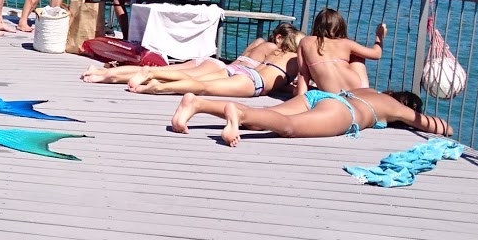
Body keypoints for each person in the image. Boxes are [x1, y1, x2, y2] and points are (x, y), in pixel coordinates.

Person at [168, 86, 452, 146]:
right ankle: (236, 112)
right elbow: (432, 126)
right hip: (344, 112)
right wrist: (446, 128)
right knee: (288, 127)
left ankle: (198, 103)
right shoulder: (395, 107)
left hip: (326, 96)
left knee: (264, 116)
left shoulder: (371, 90)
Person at [83, 23, 304, 97]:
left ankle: (102, 74)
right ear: (280, 38)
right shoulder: (273, 50)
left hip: (218, 64)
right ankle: (107, 76)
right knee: (178, 78)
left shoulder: (258, 42)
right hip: (226, 70)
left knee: (172, 71)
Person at [299, 9, 384, 90]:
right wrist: (379, 36)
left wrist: (300, 96)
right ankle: (365, 90)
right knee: (357, 56)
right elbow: (377, 54)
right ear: (341, 26)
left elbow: (303, 73)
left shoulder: (306, 41)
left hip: (332, 92)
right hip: (357, 88)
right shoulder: (346, 43)